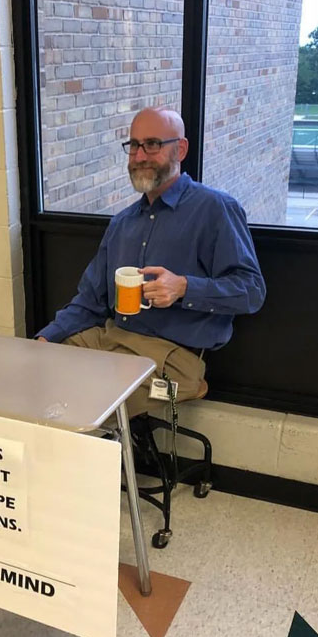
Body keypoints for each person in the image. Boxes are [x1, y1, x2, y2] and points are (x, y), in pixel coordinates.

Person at [36, 107, 266, 417]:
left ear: (180, 149)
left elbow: (251, 291)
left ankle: (108, 455)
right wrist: (44, 338)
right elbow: (89, 301)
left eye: (153, 144)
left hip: (170, 357)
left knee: (84, 405)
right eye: (134, 145)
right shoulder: (122, 223)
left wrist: (184, 287)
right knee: (39, 378)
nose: (140, 155)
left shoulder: (214, 208)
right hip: (110, 339)